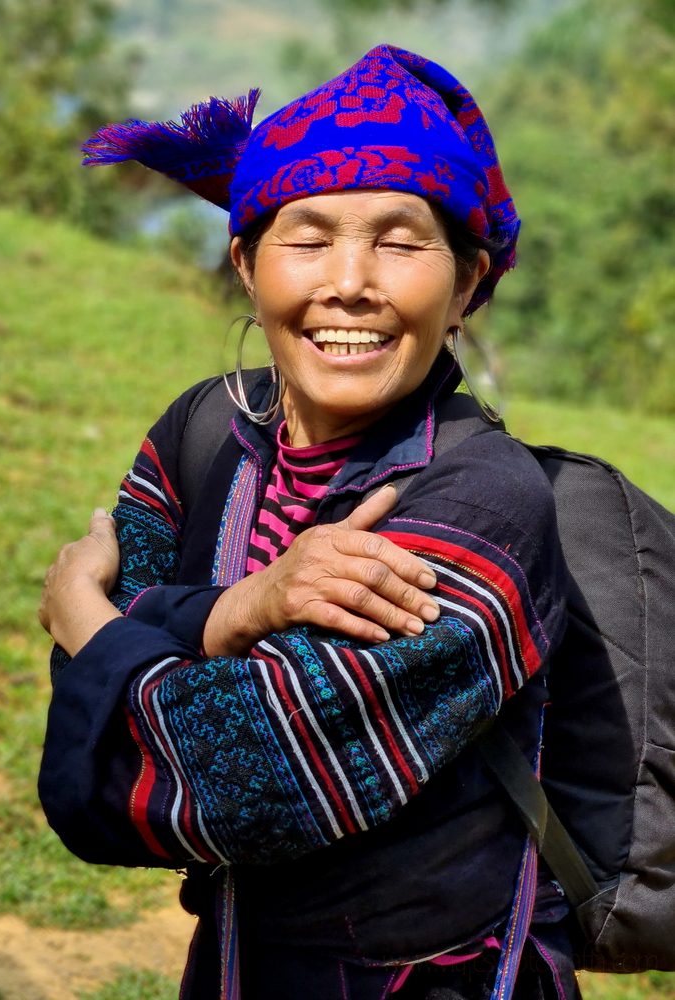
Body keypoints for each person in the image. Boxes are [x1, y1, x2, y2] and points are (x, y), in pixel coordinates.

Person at [38, 46, 576, 1000]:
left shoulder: (486, 506)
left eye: (402, 242)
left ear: (464, 287)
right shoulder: (206, 429)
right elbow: (87, 739)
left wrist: (88, 621)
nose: (350, 282)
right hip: (234, 959)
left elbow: (252, 781)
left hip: (423, 979)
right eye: (309, 237)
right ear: (247, 263)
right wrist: (233, 611)